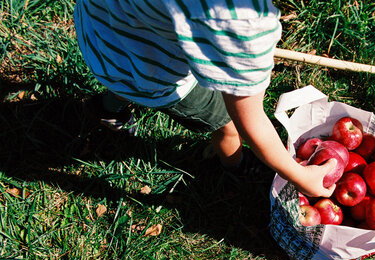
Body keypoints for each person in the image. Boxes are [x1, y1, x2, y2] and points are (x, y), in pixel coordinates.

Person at [74, 0, 336, 198]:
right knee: (229, 126)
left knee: (125, 77)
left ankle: (107, 109)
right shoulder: (244, 22)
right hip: (156, 76)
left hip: (102, 36)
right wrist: (299, 176)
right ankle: (234, 166)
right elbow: (249, 121)